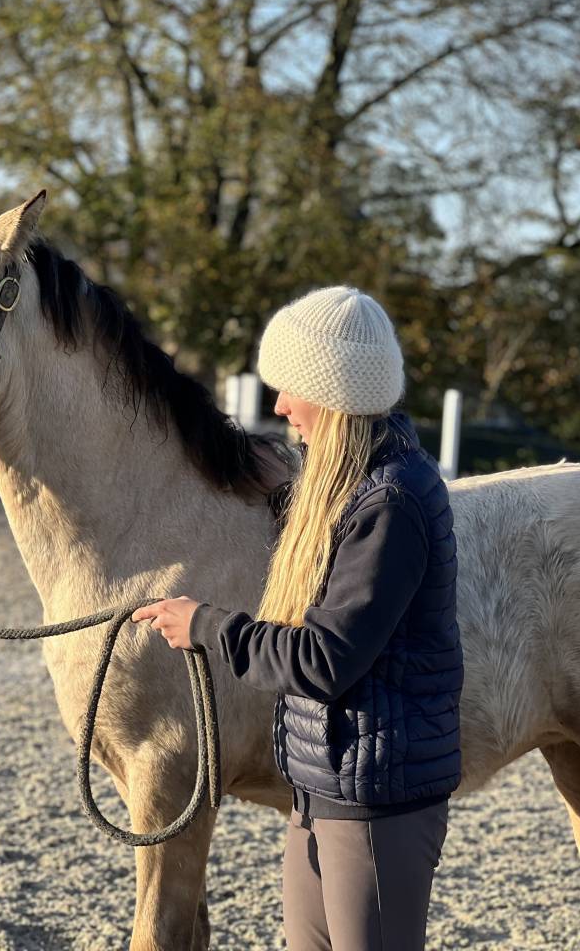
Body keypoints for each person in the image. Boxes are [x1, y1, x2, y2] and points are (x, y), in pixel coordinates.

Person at [131, 285, 463, 951]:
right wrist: (278, 488)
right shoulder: (347, 489)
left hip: (375, 802)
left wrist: (206, 626)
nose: (280, 406)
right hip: (322, 789)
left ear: (336, 394)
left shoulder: (392, 504)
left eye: (292, 389)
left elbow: (325, 660)